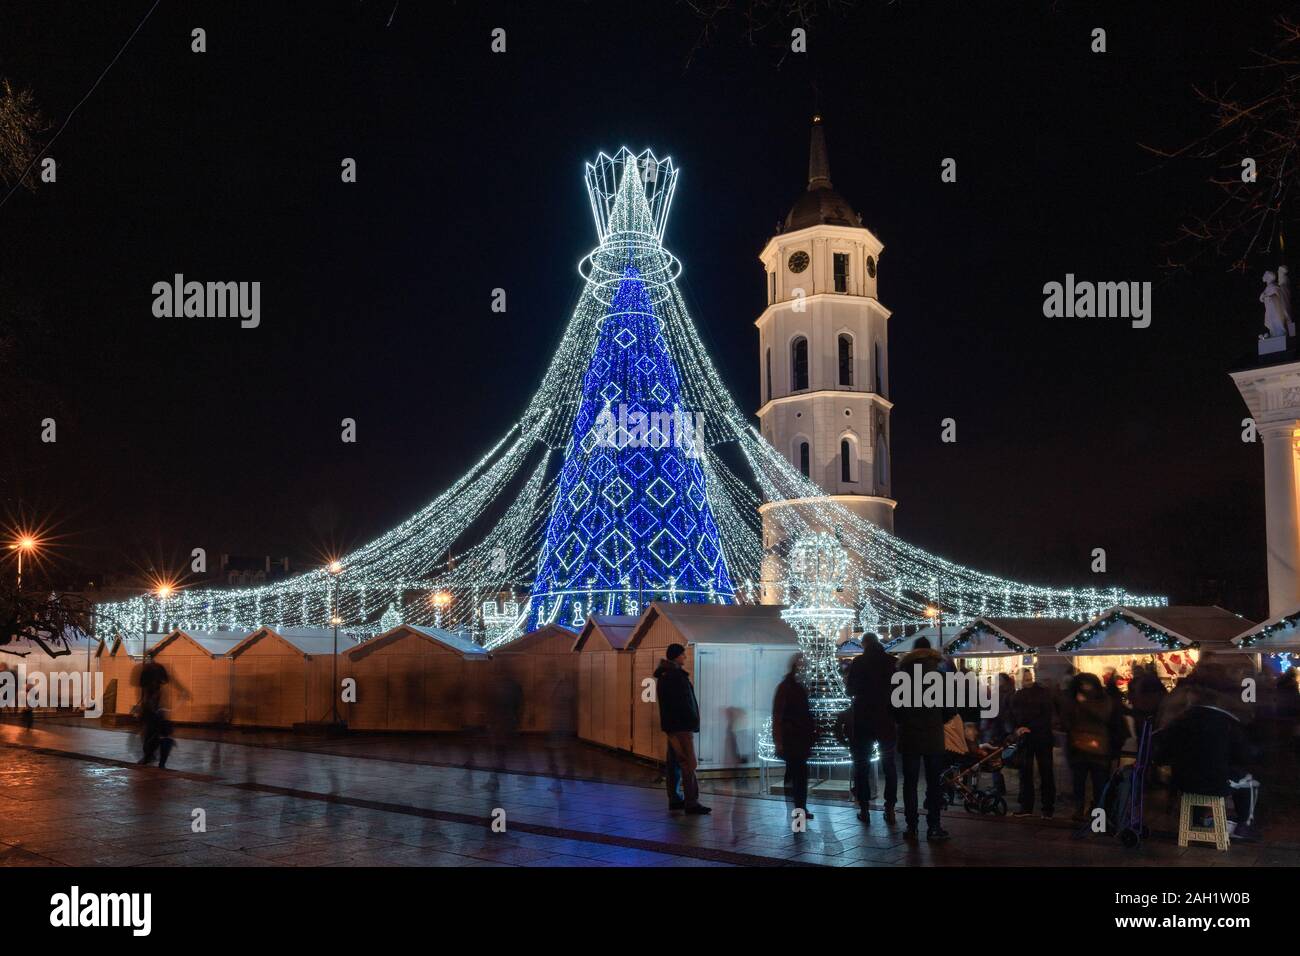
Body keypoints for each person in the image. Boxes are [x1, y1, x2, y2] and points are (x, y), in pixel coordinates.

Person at [893, 637, 953, 842]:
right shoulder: (940, 676)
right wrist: (937, 720)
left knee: (909, 783)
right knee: (933, 783)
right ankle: (934, 826)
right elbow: (949, 709)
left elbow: (893, 708)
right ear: (930, 652)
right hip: (933, 735)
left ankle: (911, 827)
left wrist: (905, 720)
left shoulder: (901, 676)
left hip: (909, 734)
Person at [845, 634, 898, 823]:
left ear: (864, 644)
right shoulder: (892, 662)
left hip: (863, 719)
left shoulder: (858, 663)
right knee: (889, 765)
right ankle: (890, 808)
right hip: (886, 719)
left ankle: (865, 809)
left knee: (862, 765)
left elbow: (849, 690)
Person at [653, 643, 710, 815]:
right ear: (677, 656)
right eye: (683, 654)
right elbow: (684, 703)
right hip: (682, 727)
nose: (685, 657)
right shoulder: (675, 676)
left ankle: (675, 798)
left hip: (672, 727)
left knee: (674, 763)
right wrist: (692, 721)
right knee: (688, 763)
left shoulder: (665, 675)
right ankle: (691, 802)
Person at [1060, 672, 1124, 822]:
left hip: (1096, 749)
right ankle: (1084, 811)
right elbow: (1067, 720)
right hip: (1082, 748)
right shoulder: (1075, 700)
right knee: (1081, 782)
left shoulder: (1101, 700)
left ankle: (1097, 814)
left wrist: (1083, 703)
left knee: (1098, 784)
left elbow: (1104, 715)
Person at [772, 653, 816, 822]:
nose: (805, 668)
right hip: (793, 738)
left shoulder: (797, 686)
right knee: (796, 775)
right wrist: (779, 740)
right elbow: (778, 714)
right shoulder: (788, 687)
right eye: (802, 665)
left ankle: (799, 808)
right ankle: (797, 809)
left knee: (798, 774)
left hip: (800, 738)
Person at [1008, 667, 1056, 818]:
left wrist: (1021, 728)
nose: (1028, 681)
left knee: (1037, 772)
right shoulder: (1038, 694)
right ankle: (1042, 808)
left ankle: (1034, 807)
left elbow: (1045, 715)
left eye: (1029, 679)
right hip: (1035, 736)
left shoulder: (1026, 695)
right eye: (1026, 679)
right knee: (1036, 772)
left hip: (1034, 736)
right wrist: (1018, 729)